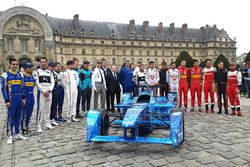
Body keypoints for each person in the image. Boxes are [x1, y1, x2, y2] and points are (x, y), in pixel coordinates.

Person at [1, 58, 27, 144]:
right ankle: (9, 135)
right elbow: (3, 89)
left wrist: (23, 98)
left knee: (18, 116)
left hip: (19, 98)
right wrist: (7, 100)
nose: (15, 66)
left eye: (16, 64)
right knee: (10, 117)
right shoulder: (5, 75)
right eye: (13, 64)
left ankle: (17, 133)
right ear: (10, 65)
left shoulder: (21, 75)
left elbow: (22, 87)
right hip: (11, 98)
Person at [33, 57, 55, 133]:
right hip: (42, 93)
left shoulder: (50, 72)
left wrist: (49, 90)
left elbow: (52, 82)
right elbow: (37, 83)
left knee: (48, 108)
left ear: (47, 63)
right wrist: (43, 91)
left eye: (44, 62)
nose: (43, 63)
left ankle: (47, 123)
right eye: (42, 62)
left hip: (49, 92)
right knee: (40, 109)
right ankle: (38, 124)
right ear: (40, 63)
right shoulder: (36, 72)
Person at [21, 63, 36, 137]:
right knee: (24, 113)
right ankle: (23, 128)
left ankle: (27, 126)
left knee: (30, 112)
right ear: (25, 68)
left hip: (31, 95)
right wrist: (23, 97)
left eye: (31, 67)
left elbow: (33, 85)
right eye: (29, 67)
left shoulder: (31, 76)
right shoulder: (22, 76)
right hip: (26, 96)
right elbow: (22, 88)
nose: (30, 69)